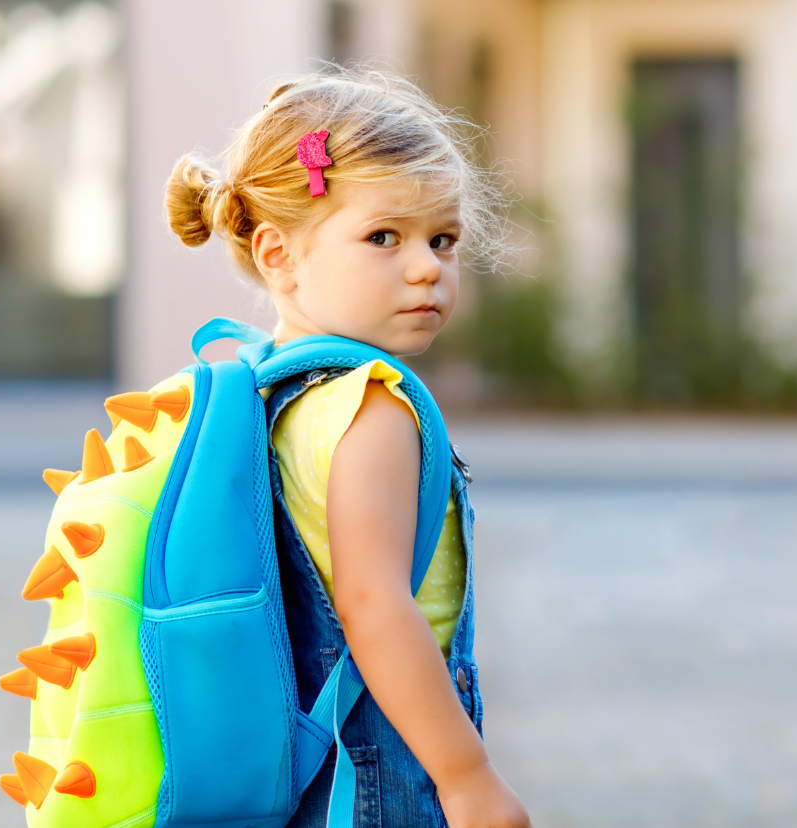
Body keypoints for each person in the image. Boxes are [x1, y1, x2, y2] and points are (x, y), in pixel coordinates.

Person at [163, 66, 531, 828]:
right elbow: (373, 607)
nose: (427, 265)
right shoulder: (371, 408)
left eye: (443, 238)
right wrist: (466, 778)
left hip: (303, 767)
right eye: (384, 237)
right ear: (279, 255)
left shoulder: (268, 391)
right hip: (379, 774)